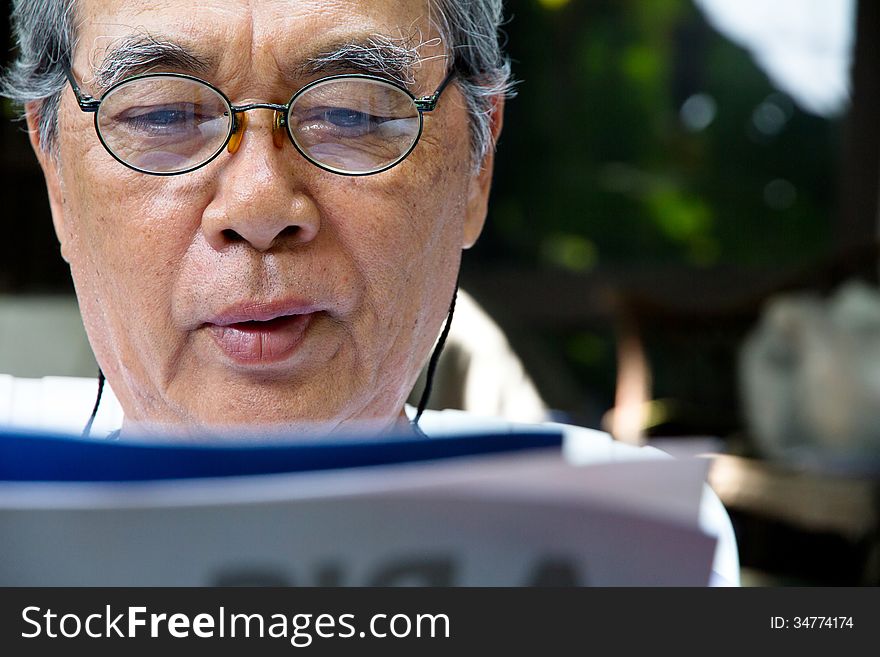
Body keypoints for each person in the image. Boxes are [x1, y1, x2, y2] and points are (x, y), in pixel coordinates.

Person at [0, 0, 739, 585]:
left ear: (476, 169)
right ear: (56, 173)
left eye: (352, 112)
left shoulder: (632, 549)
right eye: (162, 114)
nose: (259, 204)